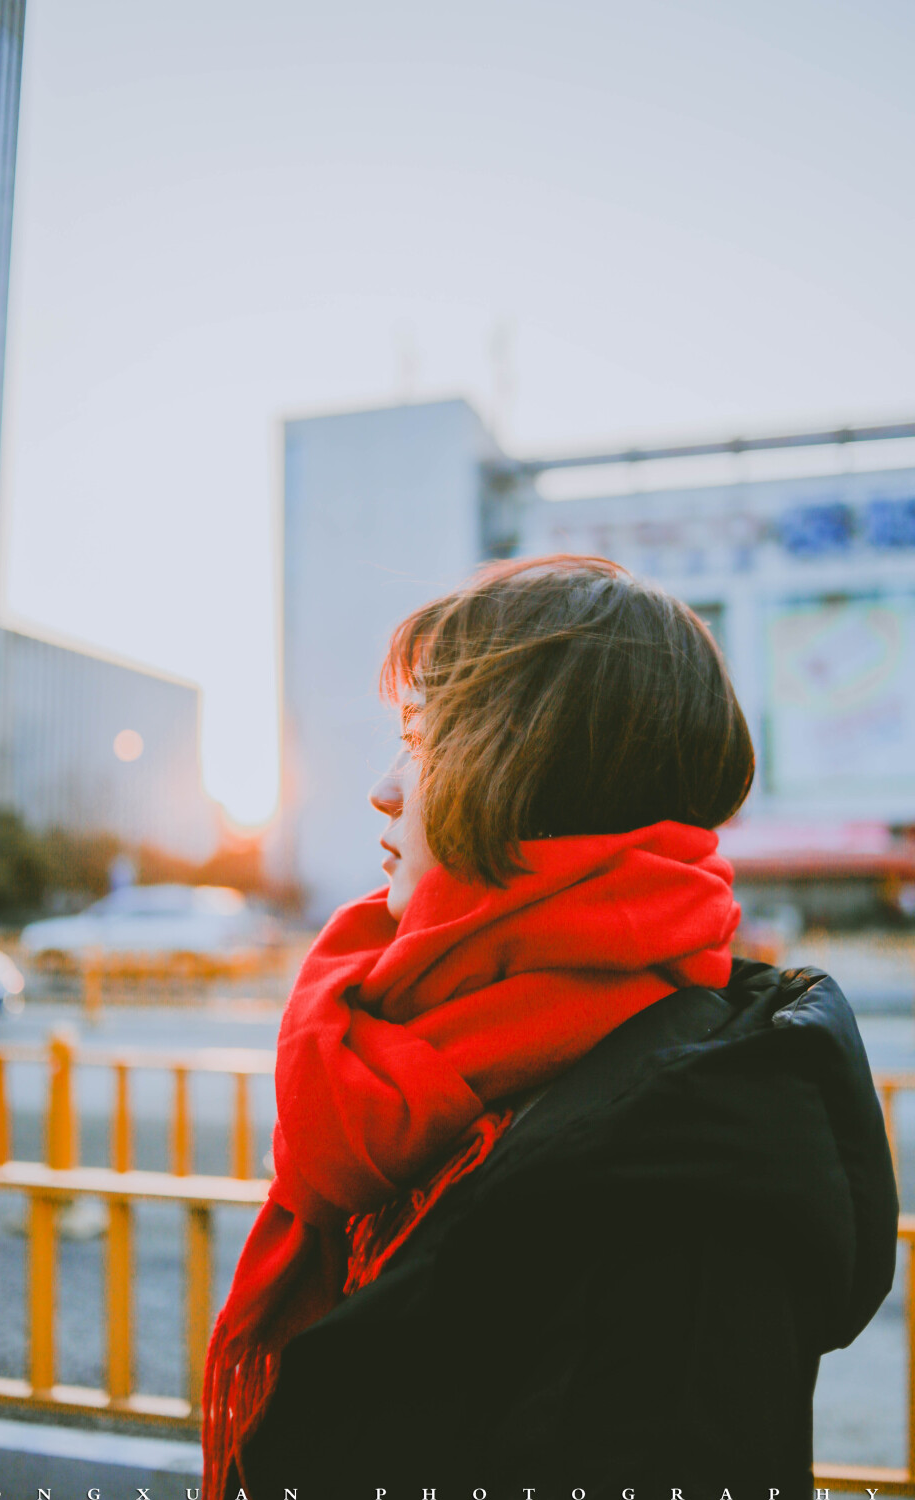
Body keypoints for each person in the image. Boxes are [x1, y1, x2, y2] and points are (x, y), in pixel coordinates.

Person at [204, 555, 898, 1500]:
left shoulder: (685, 1167)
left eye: (424, 741)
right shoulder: (414, 1032)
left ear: (543, 780)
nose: (385, 787)